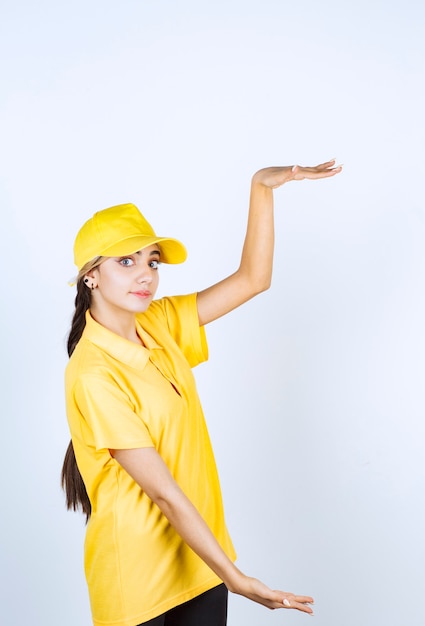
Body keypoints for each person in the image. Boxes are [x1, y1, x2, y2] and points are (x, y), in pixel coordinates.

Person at [62, 159, 342, 626]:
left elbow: (253, 279)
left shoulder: (159, 322)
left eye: (152, 261)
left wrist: (261, 188)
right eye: (126, 261)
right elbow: (164, 493)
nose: (145, 274)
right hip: (138, 581)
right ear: (91, 275)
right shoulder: (92, 373)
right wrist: (237, 577)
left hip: (201, 561)